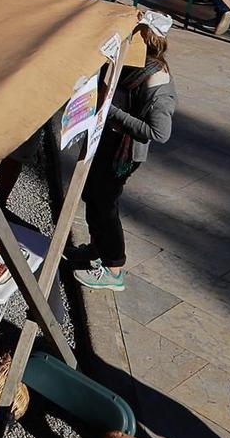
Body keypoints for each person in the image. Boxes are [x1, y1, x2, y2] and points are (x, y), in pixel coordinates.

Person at [71, 22, 177, 291]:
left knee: (105, 205)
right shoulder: (135, 69)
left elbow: (159, 132)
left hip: (124, 153)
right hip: (110, 142)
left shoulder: (158, 84)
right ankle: (97, 250)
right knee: (92, 197)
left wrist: (111, 110)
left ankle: (114, 268)